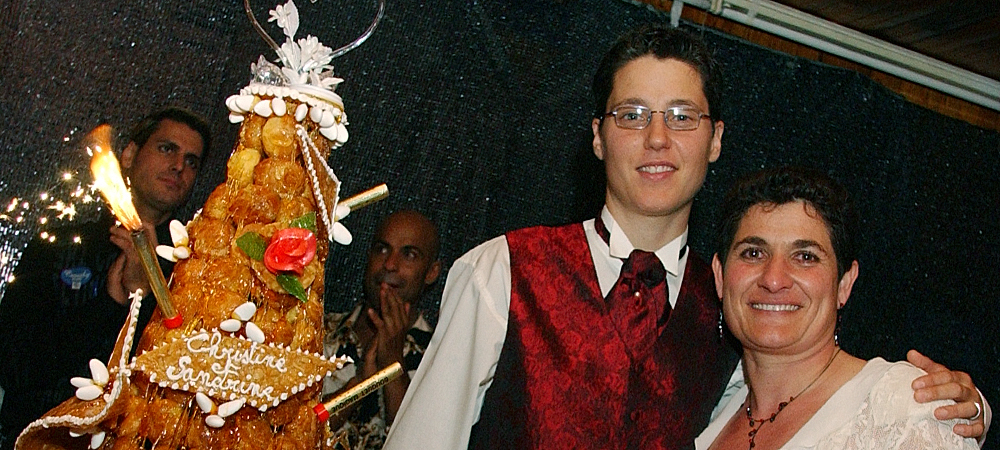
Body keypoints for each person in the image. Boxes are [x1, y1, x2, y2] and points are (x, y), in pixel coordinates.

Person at [383, 24, 989, 450]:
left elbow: (805, 408)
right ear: (597, 137)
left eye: (681, 116)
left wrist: (957, 406)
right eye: (632, 115)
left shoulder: (739, 307)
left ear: (716, 139)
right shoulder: (503, 270)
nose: (656, 139)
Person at [695, 166, 978, 449]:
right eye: (753, 253)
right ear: (720, 277)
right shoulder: (713, 411)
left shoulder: (902, 407)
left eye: (805, 257)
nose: (773, 279)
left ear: (844, 283)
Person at [0, 107, 210, 450]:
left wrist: (142, 294)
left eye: (192, 161)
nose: (179, 166)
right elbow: (15, 364)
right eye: (167, 148)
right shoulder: (59, 247)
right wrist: (112, 304)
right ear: (128, 155)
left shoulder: (194, 269)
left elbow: (182, 379)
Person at [323, 210, 442, 450]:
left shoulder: (440, 358)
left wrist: (392, 366)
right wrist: (358, 385)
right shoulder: (318, 332)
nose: (389, 264)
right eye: (382, 249)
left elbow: (423, 444)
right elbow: (292, 431)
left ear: (431, 272)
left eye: (409, 254)